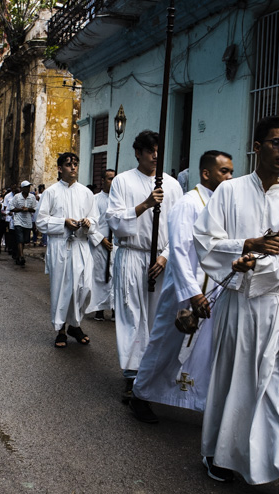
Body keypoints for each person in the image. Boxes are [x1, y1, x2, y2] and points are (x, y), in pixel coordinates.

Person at [193, 115, 279, 494]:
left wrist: (253, 264)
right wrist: (246, 246)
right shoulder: (229, 192)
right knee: (233, 379)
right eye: (276, 143)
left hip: (275, 305)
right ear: (257, 146)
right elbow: (205, 239)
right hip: (237, 304)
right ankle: (217, 454)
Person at [130, 151, 234, 423]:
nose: (230, 177)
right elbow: (177, 250)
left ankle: (195, 400)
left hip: (213, 291)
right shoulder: (189, 204)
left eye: (231, 171)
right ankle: (140, 394)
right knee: (164, 345)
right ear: (206, 173)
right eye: (224, 171)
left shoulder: (222, 206)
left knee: (203, 351)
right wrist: (193, 293)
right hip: (185, 291)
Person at [107, 130, 184, 402]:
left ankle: (153, 372)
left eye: (158, 151)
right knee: (132, 315)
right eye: (150, 150)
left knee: (156, 318)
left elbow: (179, 227)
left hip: (160, 260)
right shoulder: (122, 181)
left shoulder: (173, 186)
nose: (155, 156)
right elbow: (115, 220)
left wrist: (164, 256)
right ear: (138, 152)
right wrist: (146, 204)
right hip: (132, 255)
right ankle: (131, 375)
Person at [36, 153, 97, 347]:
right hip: (60, 246)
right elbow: (40, 221)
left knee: (84, 288)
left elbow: (95, 218)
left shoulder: (86, 193)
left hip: (80, 245)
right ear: (60, 168)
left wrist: (88, 223)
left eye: (76, 164)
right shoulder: (51, 192)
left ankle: (75, 324)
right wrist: (63, 222)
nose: (73, 168)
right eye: (69, 165)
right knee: (62, 289)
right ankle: (61, 329)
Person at [88, 169, 115, 321]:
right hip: (99, 244)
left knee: (115, 277)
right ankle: (99, 309)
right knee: (100, 277)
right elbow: (90, 224)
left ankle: (114, 309)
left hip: (116, 244)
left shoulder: (119, 199)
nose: (112, 182)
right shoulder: (95, 199)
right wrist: (101, 239)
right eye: (110, 179)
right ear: (103, 180)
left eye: (114, 179)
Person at [10, 180, 37, 266]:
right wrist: (20, 209)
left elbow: (35, 208)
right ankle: (21, 256)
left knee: (25, 240)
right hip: (18, 221)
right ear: (22, 188)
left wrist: (28, 209)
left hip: (28, 221)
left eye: (28, 187)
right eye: (26, 187)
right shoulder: (17, 197)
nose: (28, 189)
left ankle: (19, 254)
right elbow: (11, 208)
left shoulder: (32, 197)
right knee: (19, 239)